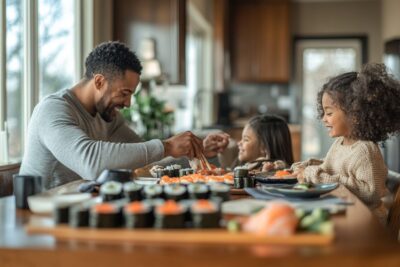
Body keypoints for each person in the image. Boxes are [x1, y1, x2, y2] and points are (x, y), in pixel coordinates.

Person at [20, 41, 228, 189]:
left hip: (79, 212)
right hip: (37, 219)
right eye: (125, 93)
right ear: (99, 81)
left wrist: (195, 151)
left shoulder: (108, 117)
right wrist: (168, 146)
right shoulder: (53, 110)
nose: (128, 104)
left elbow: (146, 163)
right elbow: (91, 164)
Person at [292, 63, 400, 225]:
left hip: (366, 222)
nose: (324, 119)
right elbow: (332, 168)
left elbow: (370, 192)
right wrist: (307, 166)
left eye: (329, 113)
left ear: (355, 114)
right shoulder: (340, 143)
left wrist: (315, 174)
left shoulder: (365, 150)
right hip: (346, 212)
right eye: (324, 113)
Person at [219, 114, 294, 172]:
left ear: (264, 148)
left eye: (246, 139)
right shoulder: (245, 165)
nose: (239, 143)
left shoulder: (276, 170)